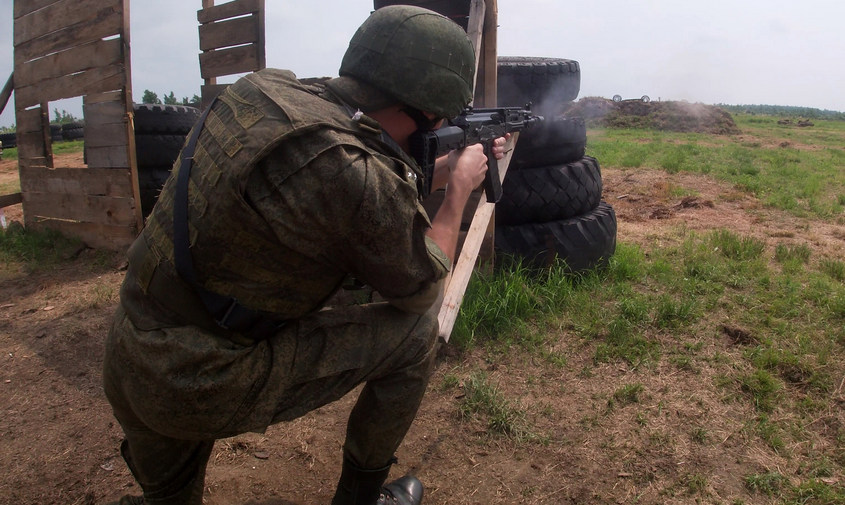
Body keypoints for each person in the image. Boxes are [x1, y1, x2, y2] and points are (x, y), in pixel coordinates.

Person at [103, 5, 509, 505]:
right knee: (416, 335)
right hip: (196, 380)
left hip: (131, 350)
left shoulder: (265, 91)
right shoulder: (349, 172)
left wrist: (442, 167)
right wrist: (459, 190)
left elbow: (348, 181)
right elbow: (422, 286)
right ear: (426, 112)